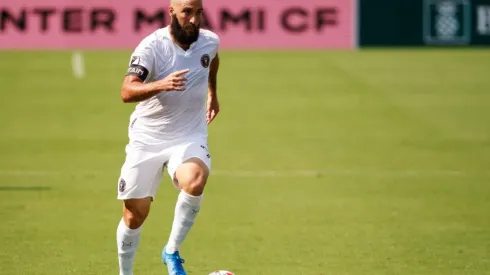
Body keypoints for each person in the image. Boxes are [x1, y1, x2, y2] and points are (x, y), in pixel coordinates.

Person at [115, 0, 220, 274]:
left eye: (199, 13)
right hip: (147, 138)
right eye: (187, 12)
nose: (194, 20)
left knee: (195, 180)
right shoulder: (151, 47)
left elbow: (212, 60)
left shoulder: (209, 41)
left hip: (188, 134)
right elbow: (127, 91)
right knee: (134, 215)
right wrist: (162, 84)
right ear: (171, 11)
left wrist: (212, 92)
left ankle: (171, 251)